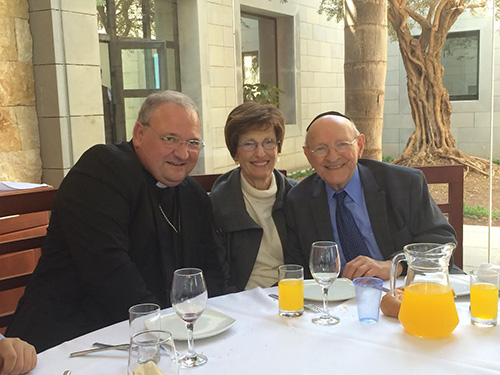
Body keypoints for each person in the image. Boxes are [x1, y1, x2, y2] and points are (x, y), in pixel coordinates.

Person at [6, 91, 225, 352]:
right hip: (71, 340)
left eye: (192, 142)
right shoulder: (101, 170)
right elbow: (108, 272)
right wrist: (165, 334)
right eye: (170, 139)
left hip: (160, 338)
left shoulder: (193, 196)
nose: (182, 153)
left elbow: (213, 269)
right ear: (139, 133)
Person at [285, 111, 456, 280]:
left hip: (403, 288)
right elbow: (299, 273)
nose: (333, 156)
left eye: (342, 144)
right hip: (337, 299)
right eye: (321, 148)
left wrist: (393, 265)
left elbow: (441, 243)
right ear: (308, 155)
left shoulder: (403, 183)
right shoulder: (298, 201)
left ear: (360, 145)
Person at [211, 102, 297, 291]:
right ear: (235, 154)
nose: (260, 153)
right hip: (241, 302)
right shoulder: (217, 203)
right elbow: (217, 276)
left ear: (278, 148)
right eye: (249, 144)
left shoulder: (297, 197)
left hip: (292, 298)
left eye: (268, 142)